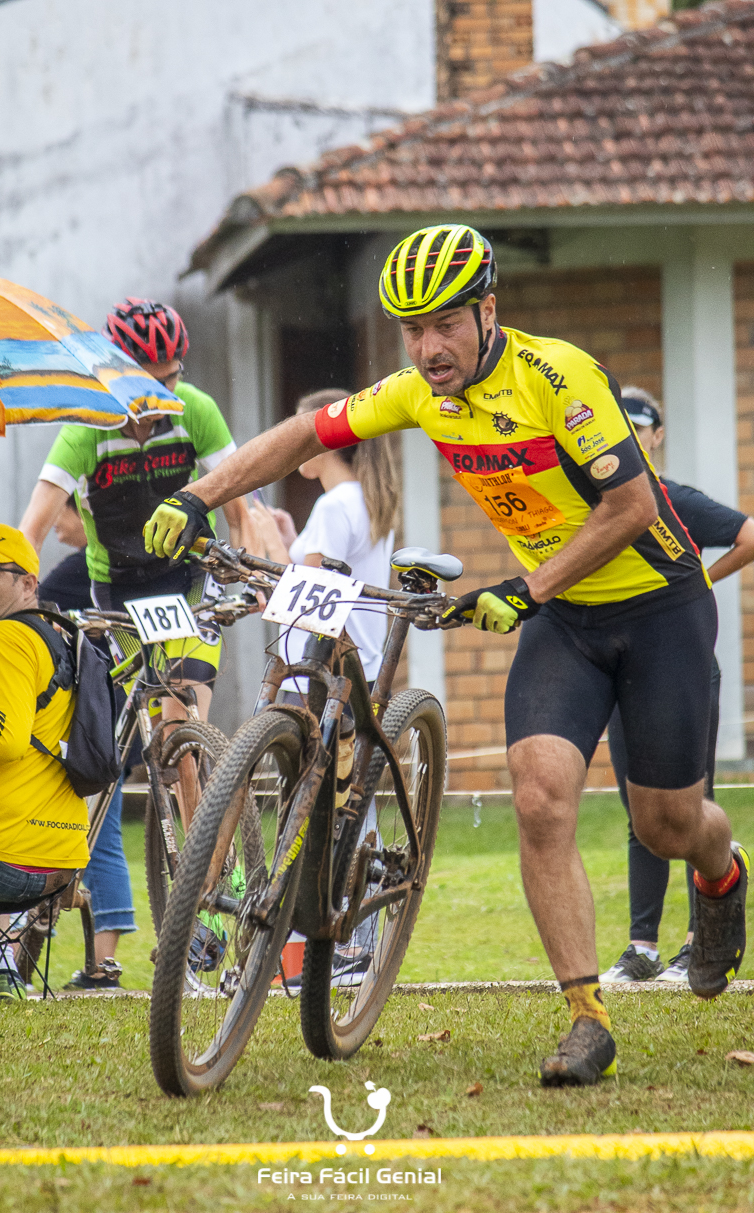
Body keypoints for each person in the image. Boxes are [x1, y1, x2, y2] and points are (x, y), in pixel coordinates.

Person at [143, 223, 749, 1089]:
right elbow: (303, 433)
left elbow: (630, 507)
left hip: (659, 610)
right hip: (563, 619)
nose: (428, 348)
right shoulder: (417, 393)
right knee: (537, 796)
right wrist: (199, 494)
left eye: (445, 325)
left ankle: (722, 875)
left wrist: (526, 587)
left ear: (487, 311)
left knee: (668, 825)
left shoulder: (557, 376)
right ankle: (587, 1017)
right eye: (411, 330)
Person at [20, 298, 252, 985]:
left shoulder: (196, 411)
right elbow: (33, 525)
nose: (157, 403)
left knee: (182, 739)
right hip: (117, 597)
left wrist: (261, 572)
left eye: (169, 381)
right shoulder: (85, 429)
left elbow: (243, 506)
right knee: (123, 752)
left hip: (188, 587)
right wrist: (12, 599)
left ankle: (213, 903)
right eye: (142, 389)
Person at [600, 388, 754, 984]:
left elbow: (748, 535)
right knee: (638, 811)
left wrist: (700, 583)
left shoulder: (674, 499)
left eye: (641, 427)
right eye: (624, 427)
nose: (634, 437)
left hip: (685, 668)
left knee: (690, 805)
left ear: (657, 436)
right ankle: (641, 947)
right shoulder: (598, 503)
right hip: (625, 668)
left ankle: (696, 939)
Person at [249, 387, 399, 987]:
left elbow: (306, 593)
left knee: (317, 806)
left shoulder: (336, 505)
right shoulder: (364, 500)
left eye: (303, 431)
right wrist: (289, 542)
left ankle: (339, 946)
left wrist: (265, 552)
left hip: (317, 673)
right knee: (347, 800)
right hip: (355, 667)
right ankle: (357, 940)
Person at [0, 524, 88, 1000]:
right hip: (55, 862)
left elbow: (1, 738)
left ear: (27, 583)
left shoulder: (5, 638)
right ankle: (0, 969)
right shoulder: (53, 636)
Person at [38, 496, 137, 990]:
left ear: (83, 515)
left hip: (87, 728)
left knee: (92, 839)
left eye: (62, 514)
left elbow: (33, 613)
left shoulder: (82, 570)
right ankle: (101, 963)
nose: (55, 526)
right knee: (103, 838)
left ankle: (97, 964)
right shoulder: (126, 571)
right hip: (116, 724)